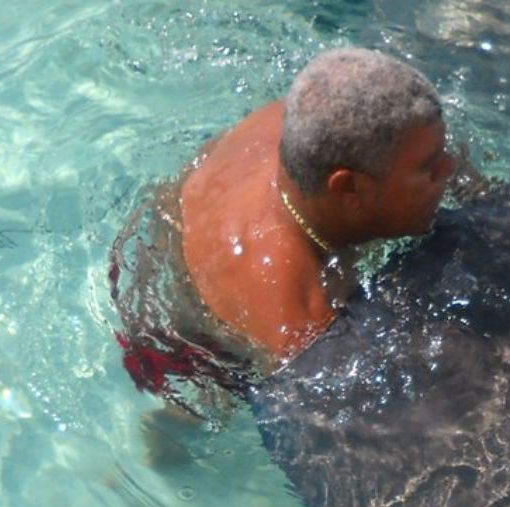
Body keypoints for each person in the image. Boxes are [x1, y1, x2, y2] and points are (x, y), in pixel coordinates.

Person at [112, 48, 481, 412]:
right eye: (430, 167)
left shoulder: (305, 121)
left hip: (200, 206)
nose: (449, 169)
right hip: (194, 335)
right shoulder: (296, 319)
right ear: (348, 186)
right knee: (183, 425)